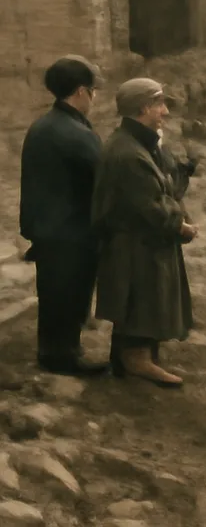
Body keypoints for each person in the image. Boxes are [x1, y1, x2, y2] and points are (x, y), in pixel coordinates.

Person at [91, 78, 198, 388]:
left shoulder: (138, 144)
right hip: (134, 244)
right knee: (140, 298)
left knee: (148, 297)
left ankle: (137, 357)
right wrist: (180, 226)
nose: (165, 111)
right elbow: (150, 206)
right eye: (159, 104)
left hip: (140, 241)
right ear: (143, 108)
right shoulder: (128, 153)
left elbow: (164, 186)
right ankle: (135, 360)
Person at [19, 56, 108, 376]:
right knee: (69, 294)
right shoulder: (76, 133)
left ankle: (58, 349)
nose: (95, 98)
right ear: (81, 91)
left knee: (54, 294)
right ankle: (61, 357)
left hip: (47, 227)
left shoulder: (43, 125)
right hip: (70, 231)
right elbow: (103, 178)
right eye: (93, 91)